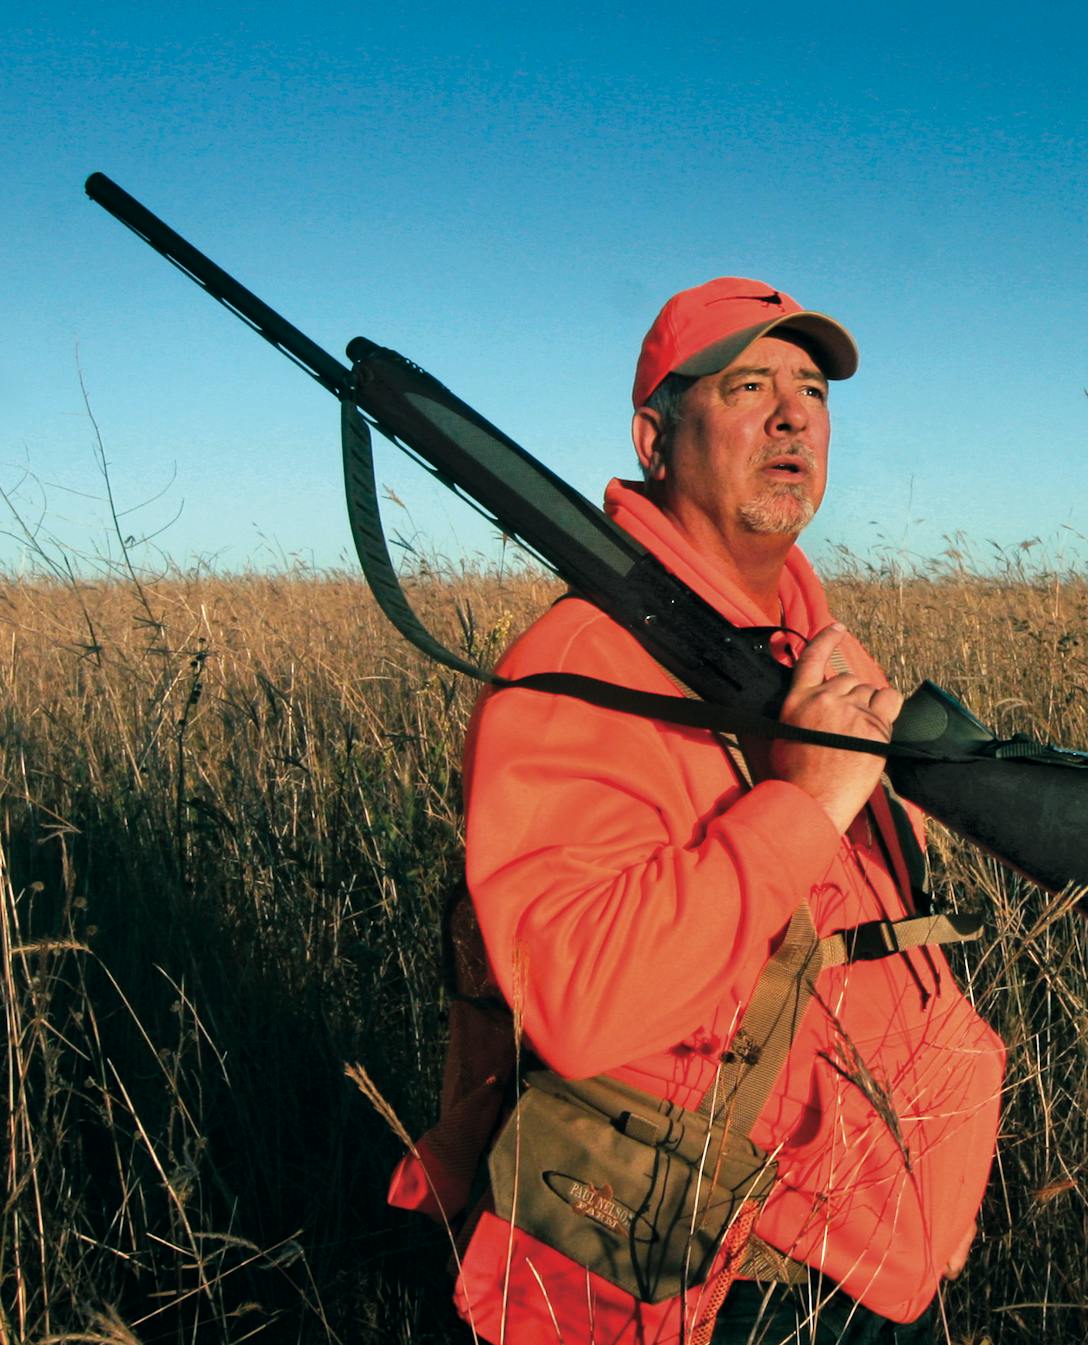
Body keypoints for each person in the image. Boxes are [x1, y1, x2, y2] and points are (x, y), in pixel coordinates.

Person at [391, 278, 1005, 1343]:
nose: (791, 415)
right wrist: (803, 802)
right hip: (717, 1280)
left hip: (871, 1246)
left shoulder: (811, 658)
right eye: (744, 385)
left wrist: (938, 1182)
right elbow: (580, 998)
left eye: (811, 390)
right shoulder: (578, 670)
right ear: (654, 437)